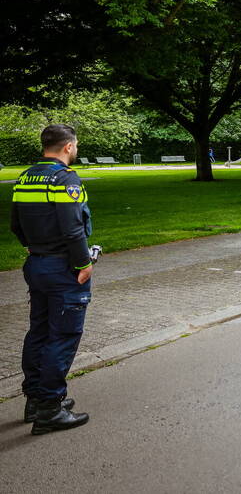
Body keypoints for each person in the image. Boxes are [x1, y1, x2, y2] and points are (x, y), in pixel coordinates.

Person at [10, 124, 96, 435]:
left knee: (40, 331)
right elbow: (73, 228)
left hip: (37, 264)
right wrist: (83, 263)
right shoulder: (65, 179)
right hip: (63, 268)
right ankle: (49, 408)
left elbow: (16, 224)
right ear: (68, 146)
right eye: (75, 145)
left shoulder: (25, 177)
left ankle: (35, 399)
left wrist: (33, 245)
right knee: (63, 336)